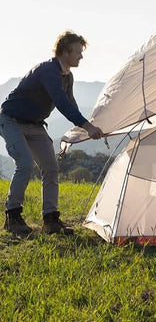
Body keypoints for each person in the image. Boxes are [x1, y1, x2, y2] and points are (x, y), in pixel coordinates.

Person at [0, 30, 104, 237]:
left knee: (50, 167)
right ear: (65, 52)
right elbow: (61, 102)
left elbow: (71, 102)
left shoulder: (68, 76)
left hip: (36, 124)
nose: (81, 56)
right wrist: (87, 126)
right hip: (11, 121)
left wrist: (87, 126)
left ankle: (50, 220)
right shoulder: (48, 70)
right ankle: (12, 216)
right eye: (78, 52)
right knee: (25, 164)